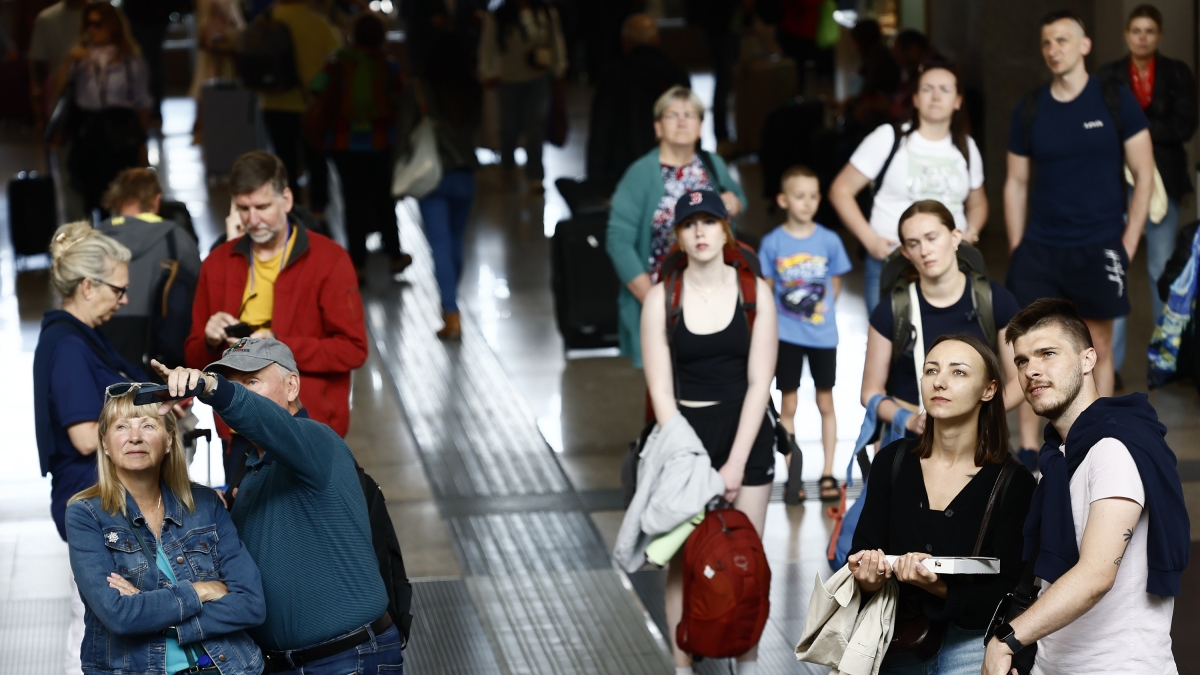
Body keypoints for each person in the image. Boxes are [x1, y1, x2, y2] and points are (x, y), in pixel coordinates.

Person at [153, 340, 404, 674]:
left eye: (251, 381)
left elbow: (268, 423)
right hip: (283, 662)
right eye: (232, 382)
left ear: (292, 386)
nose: (238, 392)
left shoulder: (315, 439)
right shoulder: (251, 469)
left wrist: (213, 388)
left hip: (347, 658)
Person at [983, 298, 1190, 675]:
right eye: (1022, 361)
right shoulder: (1060, 459)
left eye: (1048, 354)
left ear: (1088, 360)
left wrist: (1008, 639)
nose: (1032, 371)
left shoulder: (1113, 449)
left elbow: (1096, 574)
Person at [641, 190, 777, 675]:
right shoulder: (663, 297)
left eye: (709, 222)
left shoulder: (755, 293)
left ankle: (748, 663)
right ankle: (683, 667)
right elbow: (659, 389)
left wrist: (737, 463)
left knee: (745, 558)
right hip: (684, 439)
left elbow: (761, 381)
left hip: (747, 432)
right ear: (678, 236)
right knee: (683, 561)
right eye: (690, 224)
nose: (700, 232)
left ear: (725, 230)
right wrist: (693, 464)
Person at [849, 334, 1036, 675]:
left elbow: (1008, 589)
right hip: (894, 639)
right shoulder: (892, 461)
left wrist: (932, 584)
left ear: (989, 390)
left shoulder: (1013, 482)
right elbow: (864, 552)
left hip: (973, 647)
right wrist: (869, 577)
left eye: (958, 372)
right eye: (931, 370)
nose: (940, 381)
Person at [183, 151, 367, 479]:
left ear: (286, 199)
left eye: (262, 207)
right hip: (238, 430)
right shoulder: (218, 263)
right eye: (243, 209)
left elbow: (353, 348)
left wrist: (278, 345)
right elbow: (194, 358)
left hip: (307, 429)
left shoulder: (329, 260)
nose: (252, 220)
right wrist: (211, 341)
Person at [1003, 9, 1155, 402]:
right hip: (1040, 246)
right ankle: (1032, 452)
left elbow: (1145, 176)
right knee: (1028, 346)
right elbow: (1016, 183)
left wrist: (1128, 245)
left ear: (1084, 46)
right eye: (1046, 43)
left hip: (1100, 243)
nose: (1053, 50)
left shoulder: (1115, 101)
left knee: (1096, 345)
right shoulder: (1030, 108)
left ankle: (1095, 439)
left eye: (1062, 40)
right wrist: (1018, 246)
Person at [64, 388, 266, 675]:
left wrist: (152, 612)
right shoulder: (85, 514)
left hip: (228, 667)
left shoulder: (206, 503)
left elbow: (251, 604)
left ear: (169, 439)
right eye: (122, 426)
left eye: (148, 425)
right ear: (106, 444)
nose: (135, 437)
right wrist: (202, 590)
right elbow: (119, 616)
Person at [32, 221, 145, 675]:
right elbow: (83, 434)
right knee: (94, 620)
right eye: (118, 289)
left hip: (100, 497)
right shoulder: (68, 346)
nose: (124, 300)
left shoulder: (80, 336)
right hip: (92, 498)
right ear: (87, 286)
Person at [829, 58, 986, 315]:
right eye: (927, 89)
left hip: (950, 267)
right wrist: (870, 240)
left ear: (958, 101)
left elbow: (977, 202)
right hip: (892, 264)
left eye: (944, 89)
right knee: (888, 348)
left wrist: (971, 235)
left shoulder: (966, 147)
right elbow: (841, 189)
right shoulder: (889, 138)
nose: (935, 96)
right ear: (914, 98)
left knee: (945, 345)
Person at [606, 85, 747, 368]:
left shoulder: (712, 163)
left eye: (690, 114)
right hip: (663, 301)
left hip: (714, 297)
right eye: (673, 115)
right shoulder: (641, 174)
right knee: (666, 389)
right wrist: (657, 304)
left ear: (700, 126)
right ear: (657, 127)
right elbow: (618, 241)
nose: (682, 121)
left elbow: (737, 201)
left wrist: (732, 205)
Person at [862, 201, 1025, 443]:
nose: (925, 250)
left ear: (955, 236)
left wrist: (982, 415)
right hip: (913, 438)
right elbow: (870, 392)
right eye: (913, 244)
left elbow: (1019, 379)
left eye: (932, 238)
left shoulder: (995, 299)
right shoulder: (891, 310)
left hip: (978, 436)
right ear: (905, 252)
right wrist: (907, 420)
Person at [1096, 4, 1197, 380]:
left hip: (1163, 181)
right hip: (1114, 182)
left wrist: (1135, 129)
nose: (1142, 37)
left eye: (1149, 31)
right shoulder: (1107, 75)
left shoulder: (1175, 73)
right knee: (1114, 266)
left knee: (1162, 268)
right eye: (1136, 30)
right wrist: (1147, 129)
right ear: (1126, 34)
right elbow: (1100, 126)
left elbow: (1185, 124)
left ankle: (1165, 357)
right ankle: (1112, 364)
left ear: (1160, 36)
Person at [757, 166, 851, 501]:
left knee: (826, 401)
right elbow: (766, 290)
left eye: (813, 196)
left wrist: (820, 312)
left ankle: (829, 473)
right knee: (789, 405)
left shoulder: (829, 240)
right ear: (783, 200)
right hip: (786, 337)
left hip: (823, 337)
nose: (807, 202)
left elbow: (836, 280)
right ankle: (792, 475)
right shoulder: (773, 243)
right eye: (800, 196)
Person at [308, 12, 411, 284]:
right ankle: (394, 254)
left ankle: (358, 264)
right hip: (380, 141)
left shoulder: (338, 62)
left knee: (353, 202)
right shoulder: (386, 64)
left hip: (344, 142)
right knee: (384, 198)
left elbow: (316, 87)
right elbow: (400, 97)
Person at [397, 30, 482, 340]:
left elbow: (405, 134)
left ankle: (451, 311)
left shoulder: (418, 90)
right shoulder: (472, 88)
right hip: (465, 174)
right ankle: (451, 301)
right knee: (456, 243)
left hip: (431, 177)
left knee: (440, 246)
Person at [96, 168, 201, 371]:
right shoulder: (176, 239)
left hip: (104, 341)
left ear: (116, 199)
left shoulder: (93, 240)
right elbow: (199, 290)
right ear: (156, 199)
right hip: (162, 350)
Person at [57, 2, 153, 217]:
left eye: (98, 24)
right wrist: (69, 61)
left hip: (120, 134)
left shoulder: (131, 62)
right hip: (89, 132)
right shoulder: (80, 59)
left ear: (112, 26)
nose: (92, 30)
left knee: (120, 196)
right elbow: (57, 90)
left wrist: (143, 147)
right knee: (89, 195)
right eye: (88, 24)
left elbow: (142, 104)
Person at [585, 13, 689, 189]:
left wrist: (595, 180)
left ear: (624, 42)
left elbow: (601, 130)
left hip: (624, 172)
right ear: (657, 40)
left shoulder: (613, 76)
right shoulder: (675, 75)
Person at [258, 0, 341, 217]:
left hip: (274, 101)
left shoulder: (266, 22)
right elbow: (336, 58)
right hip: (311, 105)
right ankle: (318, 208)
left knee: (284, 161)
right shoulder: (318, 24)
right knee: (316, 159)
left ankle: (290, 209)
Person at [478, 0, 567, 191]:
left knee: (535, 127)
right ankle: (508, 167)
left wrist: (559, 69)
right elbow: (488, 44)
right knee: (509, 129)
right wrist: (488, 72)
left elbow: (555, 41)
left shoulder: (546, 13)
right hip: (508, 80)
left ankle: (535, 176)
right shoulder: (498, 16)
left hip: (538, 78)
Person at [27, 0, 87, 130]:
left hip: (98, 109)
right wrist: (38, 118)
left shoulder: (101, 15)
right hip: (61, 105)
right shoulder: (47, 19)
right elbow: (36, 71)